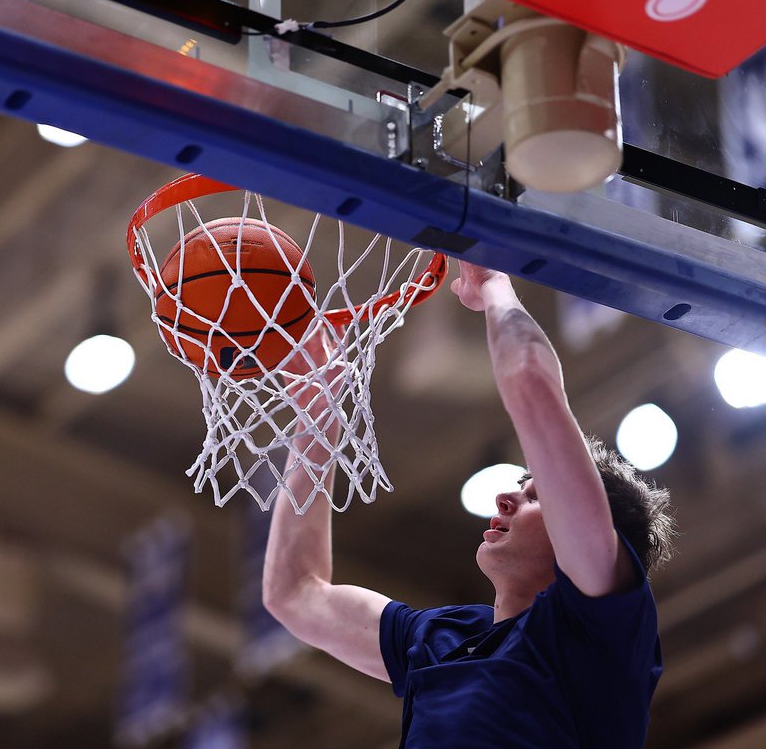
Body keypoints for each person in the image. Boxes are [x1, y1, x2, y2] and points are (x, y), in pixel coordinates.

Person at [262, 262, 677, 748]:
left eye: (535, 495)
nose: (505, 496)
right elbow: (294, 592)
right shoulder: (444, 637)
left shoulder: (597, 629)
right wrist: (318, 408)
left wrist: (495, 287)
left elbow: (532, 387)